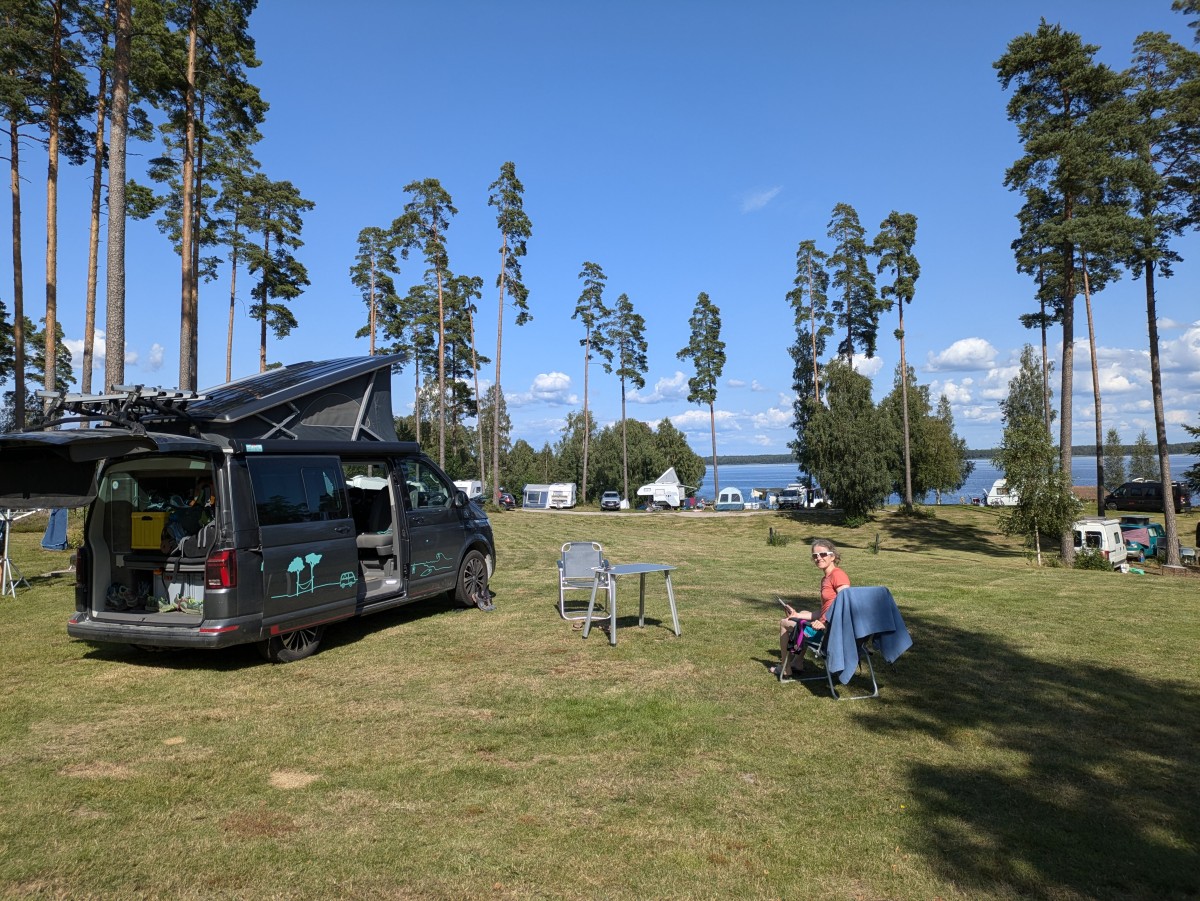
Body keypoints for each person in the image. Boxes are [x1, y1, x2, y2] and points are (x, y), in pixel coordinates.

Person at [771, 538, 850, 679]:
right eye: (815, 556)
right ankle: (797, 662)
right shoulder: (826, 578)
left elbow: (846, 604)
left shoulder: (838, 575)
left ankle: (785, 667)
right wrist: (797, 615)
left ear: (832, 556)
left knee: (784, 623)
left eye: (823, 554)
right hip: (827, 628)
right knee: (803, 613)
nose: (818, 558)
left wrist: (826, 623)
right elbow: (823, 610)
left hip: (830, 633)